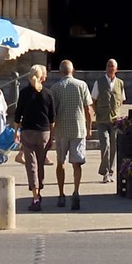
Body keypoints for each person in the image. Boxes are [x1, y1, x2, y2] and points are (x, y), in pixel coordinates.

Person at [51, 58, 94, 210]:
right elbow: (88, 109)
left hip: (62, 129)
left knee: (60, 162)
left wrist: (51, 133)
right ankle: (76, 191)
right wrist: (89, 127)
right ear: (73, 71)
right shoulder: (81, 85)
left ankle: (61, 194)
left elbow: (53, 113)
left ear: (59, 72)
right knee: (77, 163)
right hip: (78, 129)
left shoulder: (55, 88)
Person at [13, 64, 56, 210]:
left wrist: (15, 132)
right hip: (44, 132)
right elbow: (52, 118)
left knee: (30, 165)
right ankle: (39, 188)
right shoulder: (48, 94)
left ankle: (35, 195)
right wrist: (52, 136)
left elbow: (18, 114)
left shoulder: (24, 93)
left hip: (28, 132)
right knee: (40, 163)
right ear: (41, 76)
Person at [91, 58, 126, 180]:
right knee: (105, 144)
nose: (110, 68)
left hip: (115, 120)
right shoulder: (98, 82)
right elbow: (93, 100)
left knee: (113, 146)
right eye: (108, 66)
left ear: (116, 69)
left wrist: (116, 111)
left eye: (112, 66)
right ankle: (105, 172)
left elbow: (121, 100)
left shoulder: (120, 83)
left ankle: (110, 171)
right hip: (102, 120)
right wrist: (97, 112)